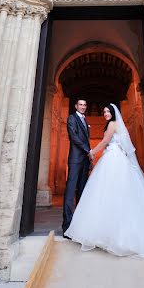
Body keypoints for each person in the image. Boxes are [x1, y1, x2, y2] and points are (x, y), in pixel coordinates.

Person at [64, 103, 144, 258]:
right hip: (114, 157)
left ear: (113, 112)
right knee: (114, 193)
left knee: (108, 192)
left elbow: (105, 142)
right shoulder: (115, 124)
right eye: (103, 111)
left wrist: (92, 153)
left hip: (112, 159)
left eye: (107, 111)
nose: (105, 114)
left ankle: (112, 233)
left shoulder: (112, 124)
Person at [62, 98, 91, 236]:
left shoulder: (85, 120)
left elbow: (86, 139)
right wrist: (88, 150)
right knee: (70, 191)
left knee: (82, 192)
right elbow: (74, 137)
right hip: (75, 159)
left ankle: (78, 226)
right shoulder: (71, 118)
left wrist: (89, 157)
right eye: (80, 104)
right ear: (76, 106)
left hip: (85, 160)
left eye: (85, 105)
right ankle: (67, 227)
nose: (83, 106)